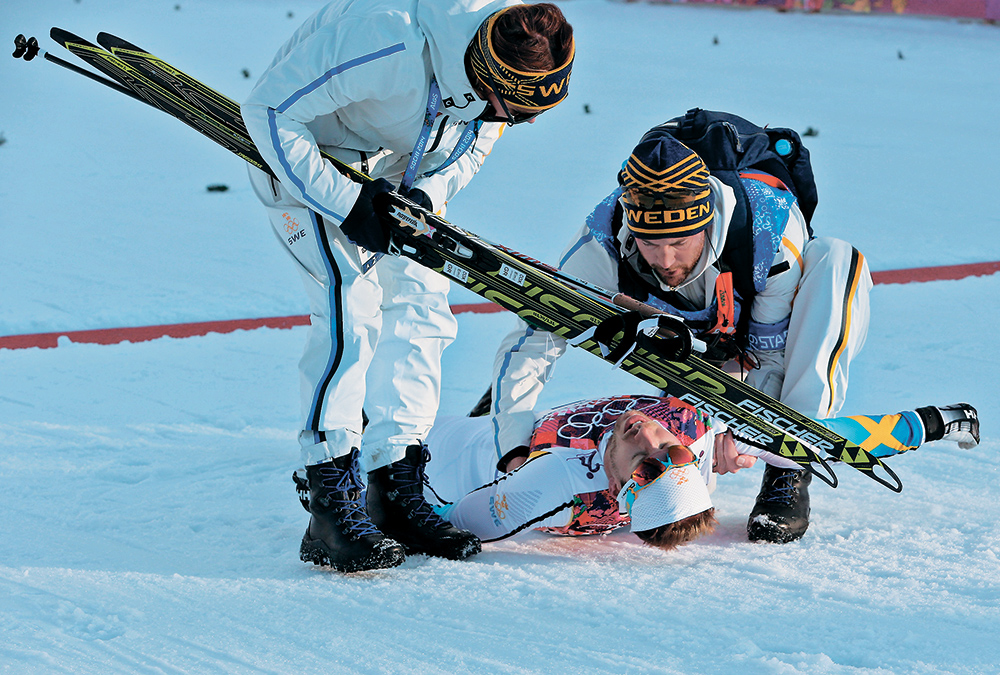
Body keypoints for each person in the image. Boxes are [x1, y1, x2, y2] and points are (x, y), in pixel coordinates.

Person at [240, 0, 575, 573]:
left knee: (424, 309)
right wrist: (349, 203)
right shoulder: (386, 40)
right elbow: (267, 109)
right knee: (350, 312)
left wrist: (426, 196)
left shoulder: (502, 73)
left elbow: (472, 142)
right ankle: (330, 502)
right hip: (312, 159)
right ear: (482, 74)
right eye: (514, 110)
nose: (526, 122)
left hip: (399, 171)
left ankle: (394, 485)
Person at [489, 121, 873, 546]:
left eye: (679, 241)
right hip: (671, 333)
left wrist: (743, 427)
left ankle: (789, 466)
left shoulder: (771, 229)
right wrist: (513, 445)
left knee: (838, 259)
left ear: (706, 222)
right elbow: (534, 339)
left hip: (744, 327)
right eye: (650, 243)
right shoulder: (601, 240)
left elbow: (771, 356)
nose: (665, 259)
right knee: (555, 321)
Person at [420, 395, 979, 549]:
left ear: (617, 489)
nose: (648, 433)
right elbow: (826, 439)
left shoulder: (554, 489)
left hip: (427, 452)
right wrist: (935, 422)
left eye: (643, 457)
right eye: (671, 449)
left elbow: (445, 520)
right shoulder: (689, 436)